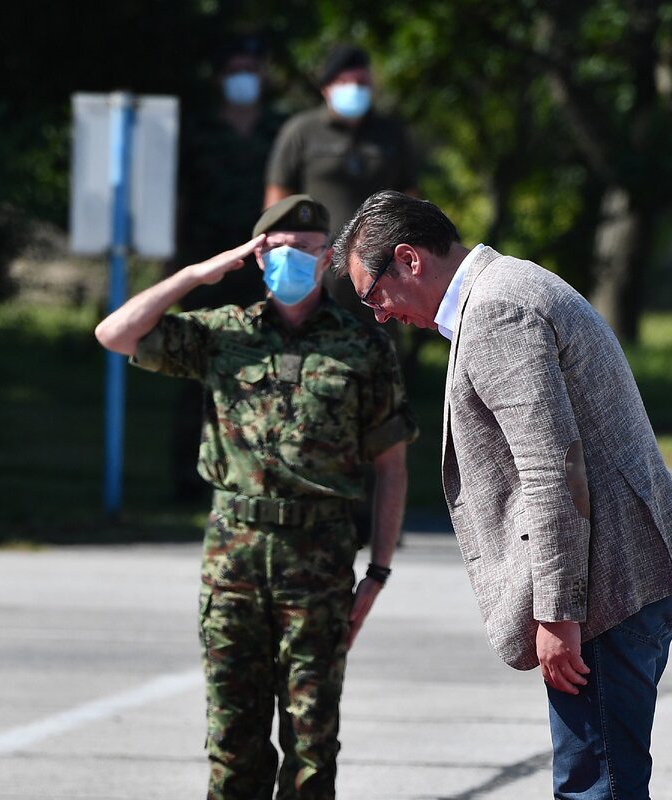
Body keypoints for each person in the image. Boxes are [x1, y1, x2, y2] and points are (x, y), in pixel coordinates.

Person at [330, 190, 672, 799]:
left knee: (595, 787)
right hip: (625, 576)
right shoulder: (509, 286)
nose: (379, 314)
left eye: (373, 295)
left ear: (409, 259)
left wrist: (560, 613)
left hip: (604, 592)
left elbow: (551, 467)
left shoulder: (496, 309)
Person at [95, 195, 417, 799]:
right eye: (276, 251)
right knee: (233, 743)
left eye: (305, 251)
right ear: (257, 255)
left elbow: (392, 464)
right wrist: (197, 275)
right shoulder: (224, 335)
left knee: (312, 748)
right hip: (233, 563)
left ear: (328, 259)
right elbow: (115, 334)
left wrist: (378, 570)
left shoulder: (362, 346)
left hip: (318, 562)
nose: (291, 262)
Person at [167, 32, 288, 502]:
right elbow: (178, 200)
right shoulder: (197, 131)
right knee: (199, 365)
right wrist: (177, 265)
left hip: (265, 267)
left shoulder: (280, 130)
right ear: (220, 78)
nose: (246, 79)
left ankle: (260, 473)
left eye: (252, 70)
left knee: (269, 368)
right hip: (205, 263)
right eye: (236, 70)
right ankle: (187, 480)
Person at [264, 44, 419, 329]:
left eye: (361, 83)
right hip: (316, 266)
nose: (354, 89)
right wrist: (278, 261)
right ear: (326, 88)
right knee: (311, 342)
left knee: (377, 345)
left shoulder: (391, 133)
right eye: (344, 83)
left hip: (380, 265)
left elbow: (410, 197)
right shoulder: (301, 131)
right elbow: (277, 202)